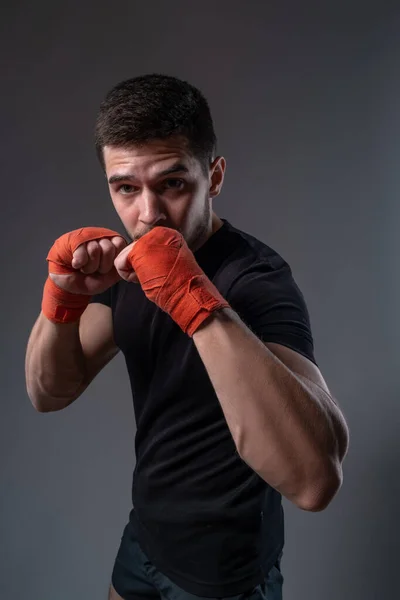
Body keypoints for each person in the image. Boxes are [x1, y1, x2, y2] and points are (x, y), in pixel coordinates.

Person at [25, 74, 349, 600]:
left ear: (214, 176)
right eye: (126, 188)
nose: (148, 214)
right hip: (145, 540)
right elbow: (49, 392)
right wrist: (63, 298)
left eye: (173, 183)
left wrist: (192, 297)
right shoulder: (129, 267)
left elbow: (314, 480)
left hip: (223, 572)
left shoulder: (256, 281)